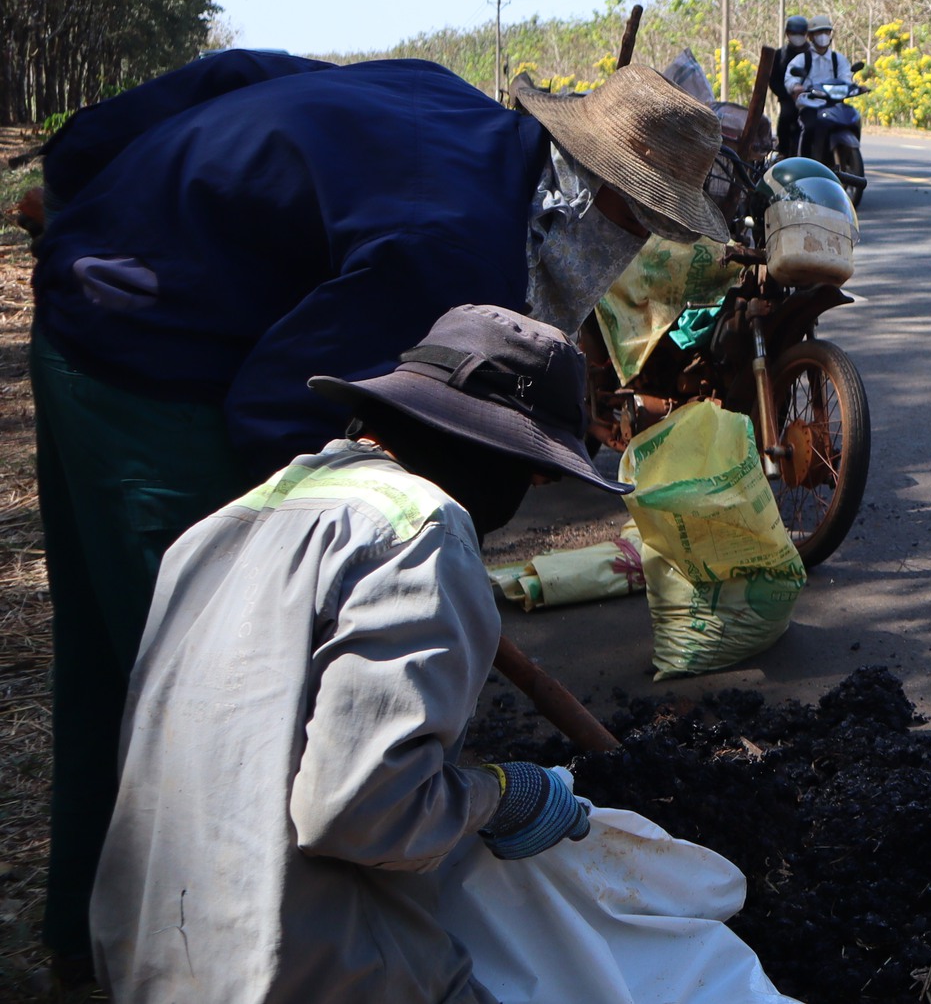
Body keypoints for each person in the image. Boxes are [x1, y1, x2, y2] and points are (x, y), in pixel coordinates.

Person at [28, 57, 724, 977]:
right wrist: (380, 576)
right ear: (590, 192)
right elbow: (278, 415)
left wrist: (77, 164)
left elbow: (237, 78)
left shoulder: (451, 105)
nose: (630, 250)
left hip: (93, 287)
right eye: (638, 223)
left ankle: (83, 943)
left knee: (116, 656)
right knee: (213, 676)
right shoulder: (452, 248)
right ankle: (211, 958)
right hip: (152, 358)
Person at [90, 305, 625, 1002]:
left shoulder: (226, 524)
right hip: (302, 973)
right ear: (488, 446)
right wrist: (500, 793)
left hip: (155, 958)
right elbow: (363, 811)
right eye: (535, 475)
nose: (529, 494)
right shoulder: (421, 531)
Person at [781, 14, 857, 158]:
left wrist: (854, 87)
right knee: (810, 127)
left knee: (852, 120)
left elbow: (846, 77)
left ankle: (846, 157)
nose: (823, 36)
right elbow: (790, 78)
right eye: (819, 32)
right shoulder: (802, 59)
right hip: (810, 105)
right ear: (810, 36)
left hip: (835, 105)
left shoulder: (838, 59)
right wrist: (795, 86)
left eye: (826, 32)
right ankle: (804, 162)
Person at [774, 14, 813, 156]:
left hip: (812, 97)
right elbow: (774, 80)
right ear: (787, 34)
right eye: (793, 33)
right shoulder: (780, 55)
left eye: (801, 33)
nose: (797, 36)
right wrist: (788, 94)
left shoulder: (813, 53)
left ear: (806, 34)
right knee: (786, 116)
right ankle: (783, 152)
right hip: (788, 98)